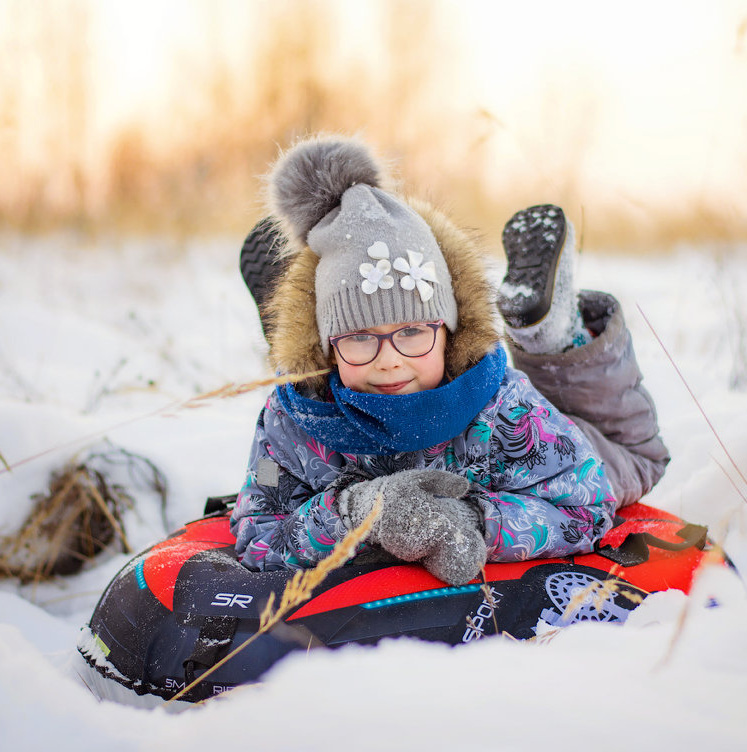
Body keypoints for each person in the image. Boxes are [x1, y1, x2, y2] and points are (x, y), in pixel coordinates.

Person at [231, 135, 669, 586]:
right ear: (327, 345)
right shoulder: (290, 421)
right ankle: (302, 321)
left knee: (634, 455)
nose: (390, 363)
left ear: (449, 333)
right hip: (332, 396)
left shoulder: (503, 407)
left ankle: (554, 337)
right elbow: (257, 531)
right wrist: (357, 513)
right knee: (311, 382)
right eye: (360, 337)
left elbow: (586, 507)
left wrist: (476, 519)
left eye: (413, 332)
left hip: (537, 453)